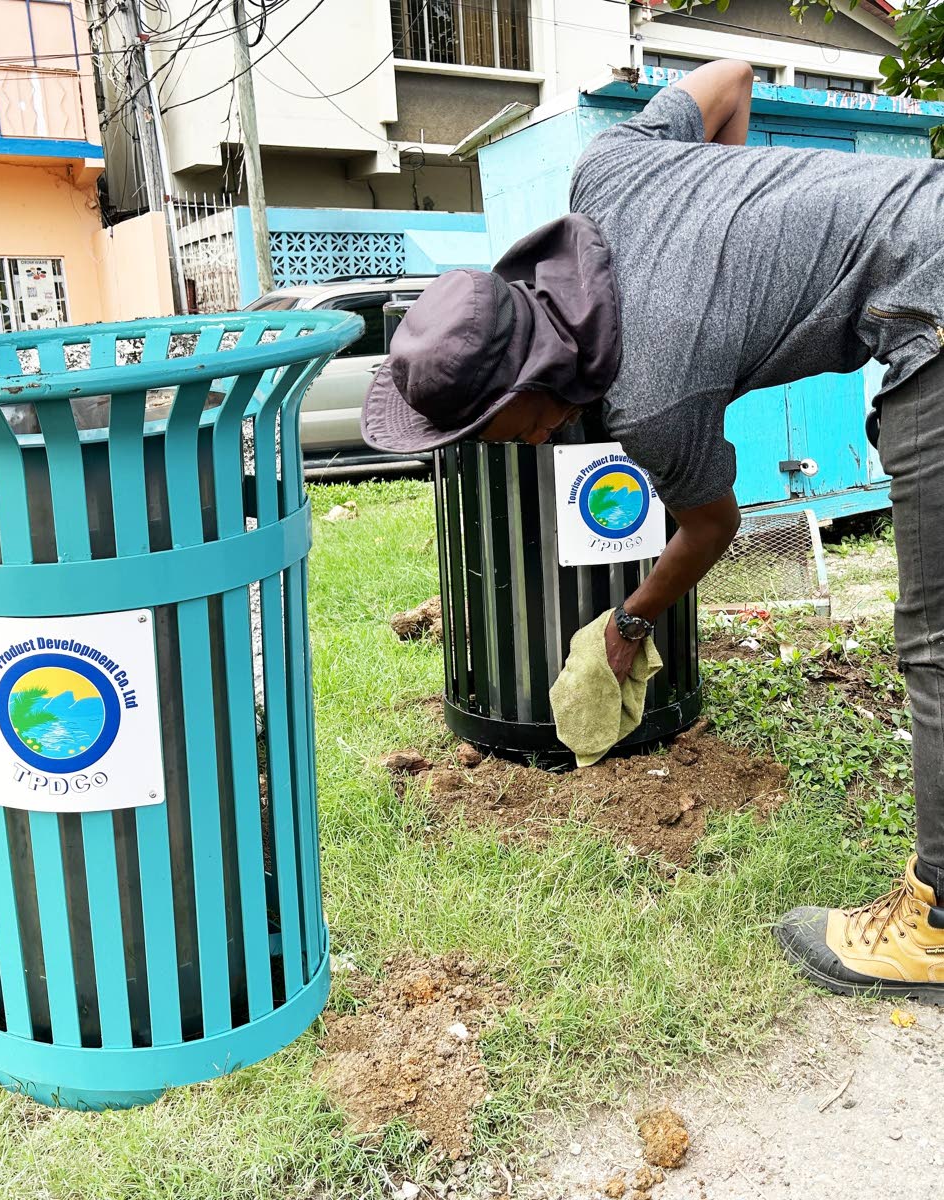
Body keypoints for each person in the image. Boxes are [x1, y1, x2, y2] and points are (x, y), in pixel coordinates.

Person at [362, 58, 944, 1005]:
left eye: (485, 430)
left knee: (935, 642)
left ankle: (934, 925)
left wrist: (628, 622)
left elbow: (713, 526)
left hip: (931, 306)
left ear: (529, 399)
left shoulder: (653, 390)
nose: (493, 448)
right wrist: (735, 218)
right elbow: (729, 75)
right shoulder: (609, 168)